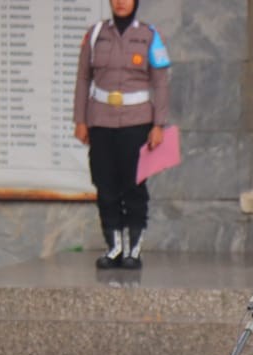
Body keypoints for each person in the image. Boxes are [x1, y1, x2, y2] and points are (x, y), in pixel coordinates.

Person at [73, 0, 171, 270]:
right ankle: (114, 247)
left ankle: (133, 249)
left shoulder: (150, 36)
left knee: (133, 186)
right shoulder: (95, 34)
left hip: (136, 121)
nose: (120, 2)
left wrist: (159, 124)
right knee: (105, 186)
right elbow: (83, 78)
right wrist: (80, 120)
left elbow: (161, 83)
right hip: (101, 120)